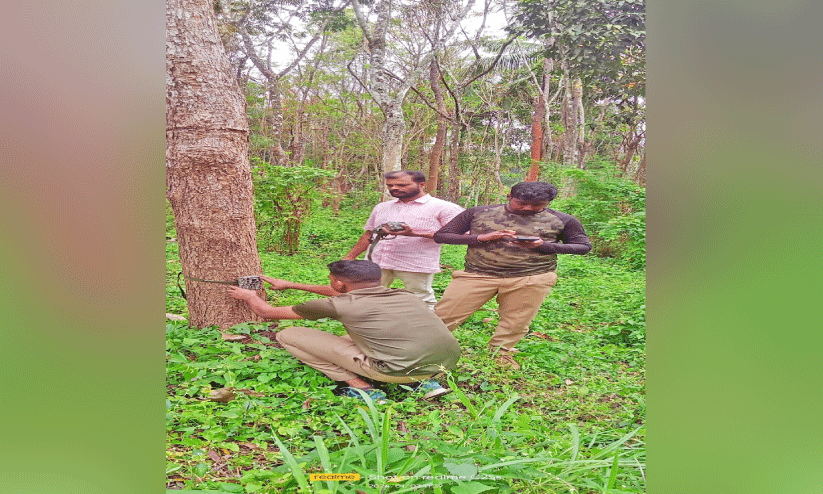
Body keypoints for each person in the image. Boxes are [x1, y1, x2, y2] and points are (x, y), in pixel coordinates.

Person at [227, 260, 459, 402]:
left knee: (289, 334)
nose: (331, 285)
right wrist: (291, 284)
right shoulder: (405, 295)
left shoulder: (341, 304)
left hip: (392, 369)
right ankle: (423, 382)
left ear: (338, 284)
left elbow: (267, 313)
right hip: (442, 365)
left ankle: (363, 389)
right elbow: (342, 293)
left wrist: (249, 295)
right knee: (373, 335)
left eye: (331, 281)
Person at [432, 182, 591, 370]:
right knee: (445, 315)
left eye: (537, 205)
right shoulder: (478, 213)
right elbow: (442, 235)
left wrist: (543, 245)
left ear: (548, 202)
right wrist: (482, 237)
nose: (528, 208)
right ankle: (424, 347)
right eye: (521, 203)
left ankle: (501, 352)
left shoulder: (563, 220)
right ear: (509, 196)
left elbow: (583, 246)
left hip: (531, 277)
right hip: (478, 274)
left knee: (517, 320)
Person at [343, 170, 464, 310]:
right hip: (377, 260)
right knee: (366, 294)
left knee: (421, 298)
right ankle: (373, 325)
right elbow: (368, 234)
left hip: (415, 262)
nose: (394, 188)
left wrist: (414, 233)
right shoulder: (382, 207)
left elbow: (459, 234)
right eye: (390, 185)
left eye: (402, 185)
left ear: (422, 185)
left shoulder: (444, 208)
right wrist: (350, 257)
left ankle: (426, 329)